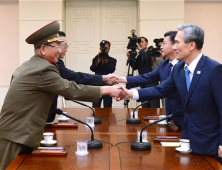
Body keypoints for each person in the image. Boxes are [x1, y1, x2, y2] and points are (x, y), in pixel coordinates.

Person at [0, 21, 123, 170]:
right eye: (57, 47)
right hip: (16, 136)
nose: (60, 51)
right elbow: (70, 89)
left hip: (16, 132)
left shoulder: (29, 65)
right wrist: (107, 90)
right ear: (43, 49)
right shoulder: (43, 69)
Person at [118, 24, 222, 162]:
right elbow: (160, 89)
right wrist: (130, 94)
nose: (175, 47)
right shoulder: (179, 68)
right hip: (186, 139)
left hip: (211, 143)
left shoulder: (213, 69)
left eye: (177, 42)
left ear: (191, 45)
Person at [47, 31, 118, 122]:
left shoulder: (112, 60)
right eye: (64, 46)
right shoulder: (53, 63)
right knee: (96, 107)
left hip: (45, 115)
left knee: (108, 107)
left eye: (65, 46)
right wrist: (103, 78)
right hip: (40, 116)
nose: (65, 49)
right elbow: (77, 77)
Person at [118, 31, 184, 128]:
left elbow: (162, 90)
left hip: (185, 119)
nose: (161, 47)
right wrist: (120, 79)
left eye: (164, 43)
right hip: (172, 118)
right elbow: (146, 77)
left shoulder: (184, 66)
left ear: (175, 45)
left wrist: (129, 93)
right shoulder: (165, 65)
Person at [127, 37, 160, 108]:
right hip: (143, 84)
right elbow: (135, 67)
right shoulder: (139, 56)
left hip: (152, 84)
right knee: (144, 106)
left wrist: (140, 51)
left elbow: (148, 59)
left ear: (147, 43)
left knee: (153, 106)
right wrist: (130, 58)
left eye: (142, 42)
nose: (140, 44)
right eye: (139, 42)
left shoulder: (151, 52)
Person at [90, 40, 117, 108]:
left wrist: (106, 62)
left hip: (107, 85)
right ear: (100, 48)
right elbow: (92, 69)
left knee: (107, 106)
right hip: (97, 86)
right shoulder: (96, 58)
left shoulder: (112, 60)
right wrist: (97, 62)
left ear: (109, 49)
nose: (104, 49)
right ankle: (95, 118)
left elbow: (112, 70)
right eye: (103, 47)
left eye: (106, 48)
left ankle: (107, 119)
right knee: (96, 106)